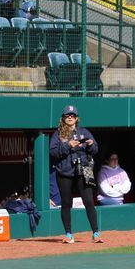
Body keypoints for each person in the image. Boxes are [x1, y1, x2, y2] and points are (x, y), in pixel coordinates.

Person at [50, 104, 102, 243]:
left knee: (89, 201)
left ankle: (96, 233)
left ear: (77, 118)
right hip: (65, 171)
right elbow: (53, 152)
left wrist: (90, 145)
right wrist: (68, 145)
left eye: (72, 115)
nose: (70, 118)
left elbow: (95, 149)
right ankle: (68, 234)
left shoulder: (84, 132)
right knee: (66, 203)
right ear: (63, 118)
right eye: (67, 116)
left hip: (83, 169)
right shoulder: (58, 134)